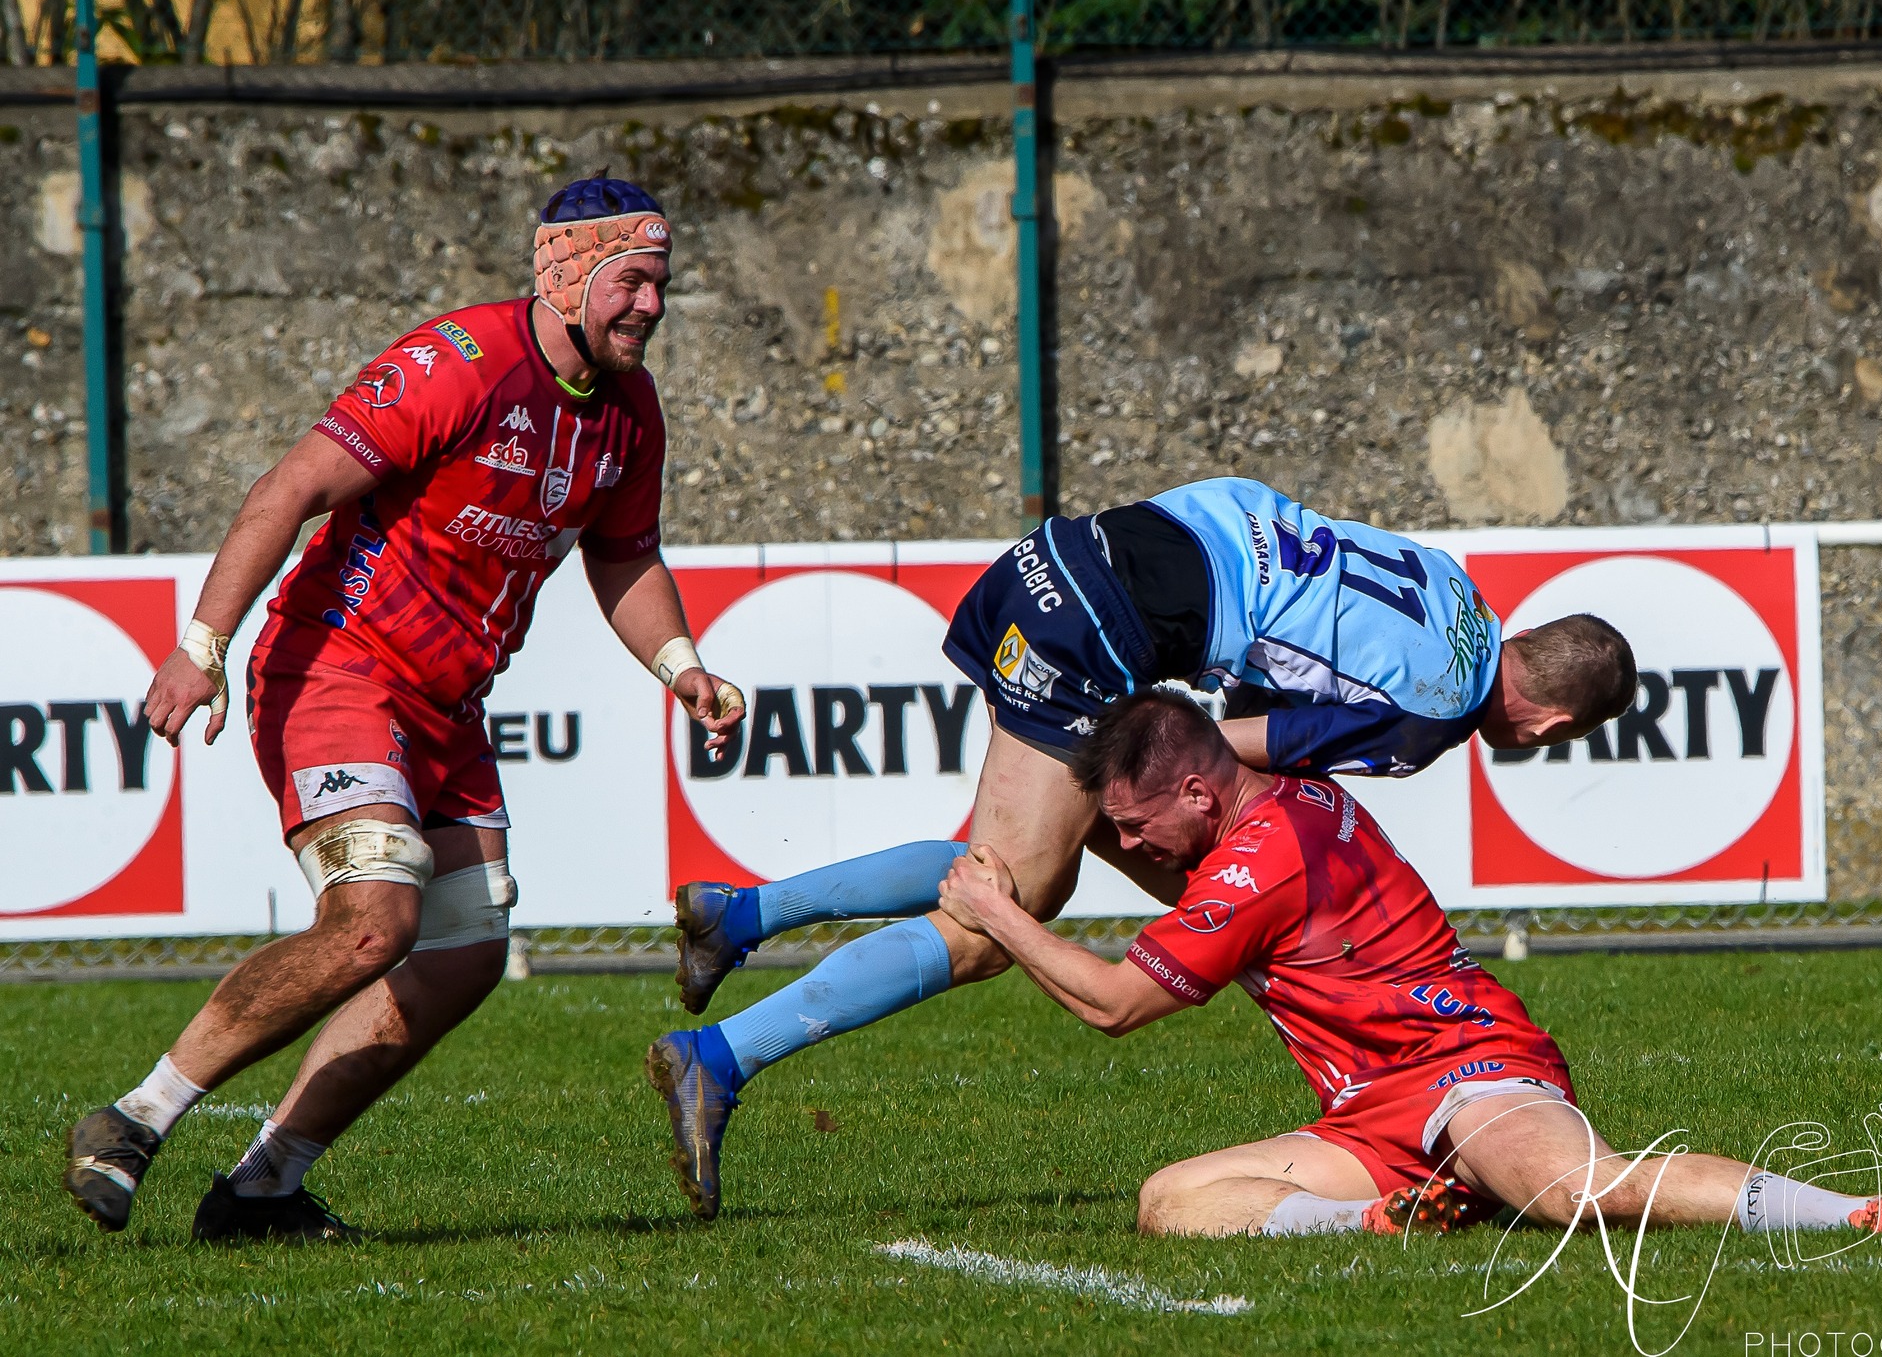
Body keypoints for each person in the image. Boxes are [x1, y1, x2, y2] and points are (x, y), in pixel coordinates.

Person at [648, 477, 1638, 1220]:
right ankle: (718, 1057)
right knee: (1000, 914)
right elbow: (1230, 753)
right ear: (1550, 723)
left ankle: (736, 918)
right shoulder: (1436, 714)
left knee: (1027, 859)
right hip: (1100, 626)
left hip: (1077, 556)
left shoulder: (1453, 590)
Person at [64, 176, 744, 1243]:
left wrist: (679, 663)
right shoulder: (457, 365)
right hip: (340, 667)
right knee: (375, 924)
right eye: (632, 281)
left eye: (662, 284)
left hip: (449, 706)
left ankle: (262, 1189)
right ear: (565, 275)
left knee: (465, 955)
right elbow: (288, 489)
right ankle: (135, 1117)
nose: (651, 305)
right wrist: (201, 645)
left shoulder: (629, 414)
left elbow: (626, 556)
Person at [933, 689, 1882, 1240]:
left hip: (1465, 1068)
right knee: (1171, 1202)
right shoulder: (1266, 808)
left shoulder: (1256, 861)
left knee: (1572, 1190)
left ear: (1199, 796)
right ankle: (1383, 1218)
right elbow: (1201, 895)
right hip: (1374, 1116)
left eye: (1134, 826)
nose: (1130, 843)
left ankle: (1857, 1211)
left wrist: (994, 910)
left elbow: (1114, 1005)